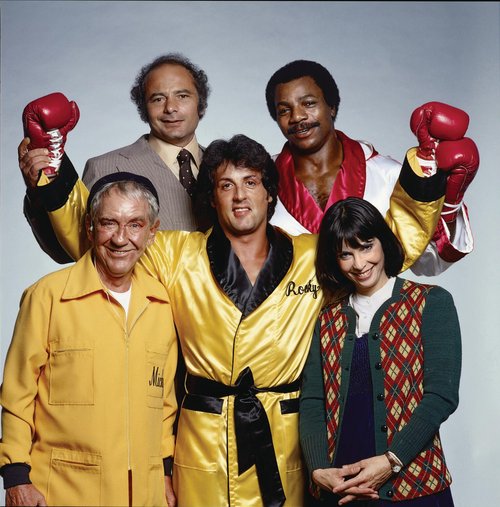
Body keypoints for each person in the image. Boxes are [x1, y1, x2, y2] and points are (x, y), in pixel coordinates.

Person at [18, 130, 459, 507]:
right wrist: (53, 176)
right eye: (225, 185)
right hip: (202, 437)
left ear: (270, 192)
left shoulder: (310, 253)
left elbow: (386, 244)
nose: (240, 195)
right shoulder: (175, 253)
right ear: (212, 196)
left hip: (285, 434)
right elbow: (107, 239)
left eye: (250, 182)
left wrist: (425, 170)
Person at [0, 173, 178, 507]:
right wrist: (16, 477)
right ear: (90, 227)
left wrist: (164, 472)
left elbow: (165, 404)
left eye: (135, 224)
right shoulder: (48, 296)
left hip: (145, 493)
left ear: (152, 232)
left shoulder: (161, 305)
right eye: (109, 223)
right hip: (61, 492)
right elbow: (17, 394)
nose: (121, 238)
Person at [299, 197, 461, 506]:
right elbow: (312, 400)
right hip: (341, 487)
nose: (359, 265)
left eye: (365, 247)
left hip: (413, 485)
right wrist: (319, 469)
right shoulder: (327, 318)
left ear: (383, 242)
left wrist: (391, 460)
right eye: (346, 254)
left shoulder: (430, 303)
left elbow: (441, 396)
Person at [266, 59, 479, 276]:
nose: (297, 117)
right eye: (284, 110)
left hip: (372, 310)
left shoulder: (388, 175)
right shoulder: (259, 183)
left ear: (332, 106)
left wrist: (450, 205)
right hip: (294, 311)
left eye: (309, 103)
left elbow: (429, 262)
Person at [18, 52, 210, 263]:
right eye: (158, 99)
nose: (171, 108)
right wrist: (42, 189)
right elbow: (69, 251)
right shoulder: (105, 168)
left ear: (200, 102)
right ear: (144, 108)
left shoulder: (229, 170)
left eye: (182, 96)